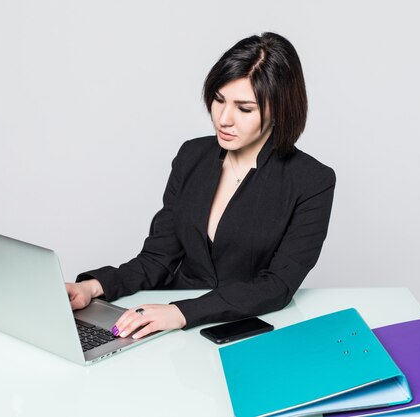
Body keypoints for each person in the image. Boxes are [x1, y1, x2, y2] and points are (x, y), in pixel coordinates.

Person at [66, 32, 336, 340]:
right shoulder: (192, 156)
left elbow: (278, 285)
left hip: (249, 329)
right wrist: (92, 287)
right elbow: (158, 258)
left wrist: (183, 312)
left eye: (244, 108)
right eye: (219, 100)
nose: (223, 118)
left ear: (279, 110)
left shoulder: (312, 180)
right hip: (170, 325)